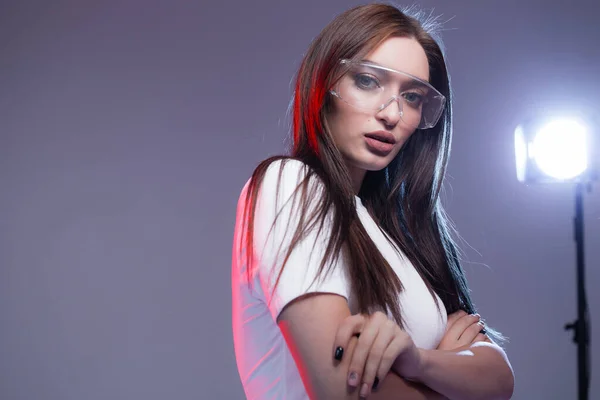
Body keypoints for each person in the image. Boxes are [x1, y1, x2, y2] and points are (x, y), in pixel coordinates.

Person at [231, 3, 515, 399]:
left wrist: (417, 360)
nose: (393, 113)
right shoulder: (291, 185)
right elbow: (342, 390)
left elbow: (500, 380)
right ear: (325, 85)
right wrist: (450, 377)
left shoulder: (401, 233)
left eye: (413, 96)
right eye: (368, 81)